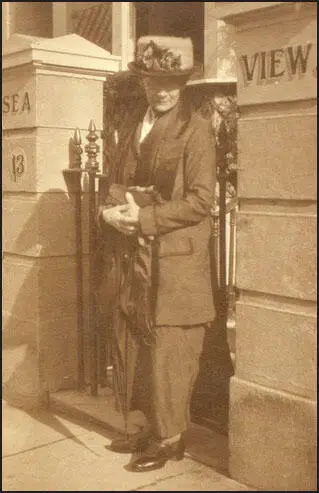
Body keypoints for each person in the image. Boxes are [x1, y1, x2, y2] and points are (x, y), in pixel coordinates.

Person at [98, 35, 216, 472]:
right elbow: (115, 180)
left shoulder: (197, 130)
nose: (162, 91)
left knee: (171, 347)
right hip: (136, 256)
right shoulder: (135, 126)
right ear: (143, 81)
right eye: (153, 81)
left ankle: (172, 440)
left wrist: (144, 220)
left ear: (183, 84)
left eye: (172, 82)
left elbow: (202, 201)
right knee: (138, 343)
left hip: (176, 259)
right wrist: (110, 212)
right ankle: (148, 426)